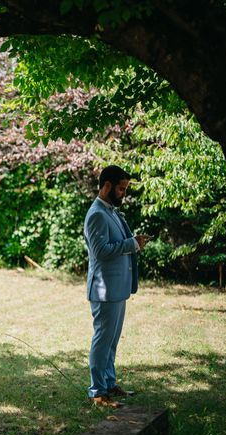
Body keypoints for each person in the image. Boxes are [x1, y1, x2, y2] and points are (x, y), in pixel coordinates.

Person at [83, 165, 151, 408]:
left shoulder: (111, 212)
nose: (124, 193)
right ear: (107, 186)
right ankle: (97, 392)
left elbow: (118, 243)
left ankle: (109, 383)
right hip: (104, 290)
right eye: (121, 189)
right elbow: (100, 252)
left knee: (111, 341)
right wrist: (131, 244)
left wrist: (133, 243)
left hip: (116, 289)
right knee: (102, 341)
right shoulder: (97, 214)